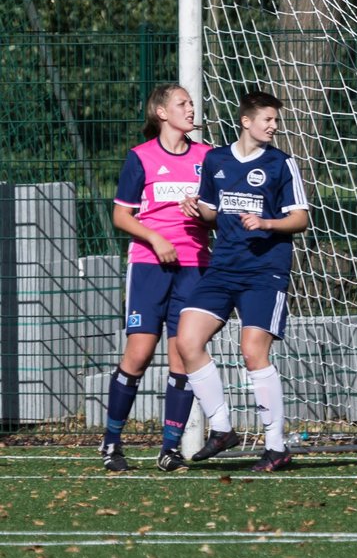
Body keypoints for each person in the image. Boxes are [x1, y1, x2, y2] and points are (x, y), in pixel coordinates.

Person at [174, 90, 309, 473]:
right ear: (246, 121)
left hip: (264, 271)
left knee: (252, 351)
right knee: (187, 340)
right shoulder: (216, 159)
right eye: (268, 119)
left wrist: (267, 222)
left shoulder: (281, 163)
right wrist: (195, 208)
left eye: (276, 121)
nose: (274, 126)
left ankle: (276, 447)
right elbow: (211, 213)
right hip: (223, 268)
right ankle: (221, 429)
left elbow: (299, 218)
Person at [101, 84, 212, 472]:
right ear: (161, 113)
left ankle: (170, 448)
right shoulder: (141, 158)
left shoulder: (207, 158)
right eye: (182, 103)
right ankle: (112, 444)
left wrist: (203, 212)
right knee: (139, 354)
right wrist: (155, 237)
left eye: (191, 103)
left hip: (194, 266)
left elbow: (218, 213)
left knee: (183, 355)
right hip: (149, 266)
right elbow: (122, 216)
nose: (190, 108)